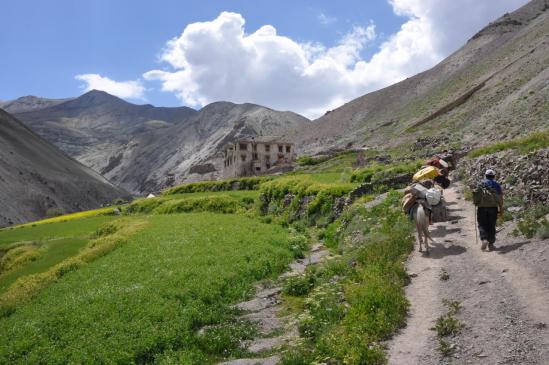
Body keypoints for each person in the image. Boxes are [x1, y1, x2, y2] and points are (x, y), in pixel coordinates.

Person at [477, 169, 504, 251]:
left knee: (482, 224)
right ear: (494, 176)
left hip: (482, 208)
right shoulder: (496, 184)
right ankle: (491, 244)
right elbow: (500, 197)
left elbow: (476, 196)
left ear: (485, 176)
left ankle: (484, 239)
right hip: (493, 208)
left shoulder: (480, 184)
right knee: (491, 225)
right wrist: (501, 209)